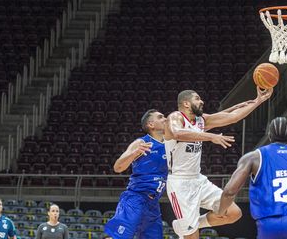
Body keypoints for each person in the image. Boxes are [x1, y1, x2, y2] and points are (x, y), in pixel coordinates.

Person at [164, 87, 273, 238]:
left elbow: (232, 117)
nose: (201, 101)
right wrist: (210, 137)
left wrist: (258, 101)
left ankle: (190, 225)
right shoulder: (176, 117)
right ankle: (188, 228)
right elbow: (177, 133)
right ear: (186, 103)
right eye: (197, 98)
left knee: (233, 212)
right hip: (180, 183)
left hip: (198, 179)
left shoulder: (201, 121)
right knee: (192, 236)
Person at [218, 117, 287, 239]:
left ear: (269, 135)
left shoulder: (254, 157)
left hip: (269, 222)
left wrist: (220, 213)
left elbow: (229, 192)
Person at [104, 109, 167, 239]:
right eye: (160, 117)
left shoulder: (170, 144)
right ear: (151, 124)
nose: (165, 119)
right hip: (135, 199)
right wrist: (134, 153)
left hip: (153, 203)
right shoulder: (141, 143)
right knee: (119, 237)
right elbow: (118, 167)